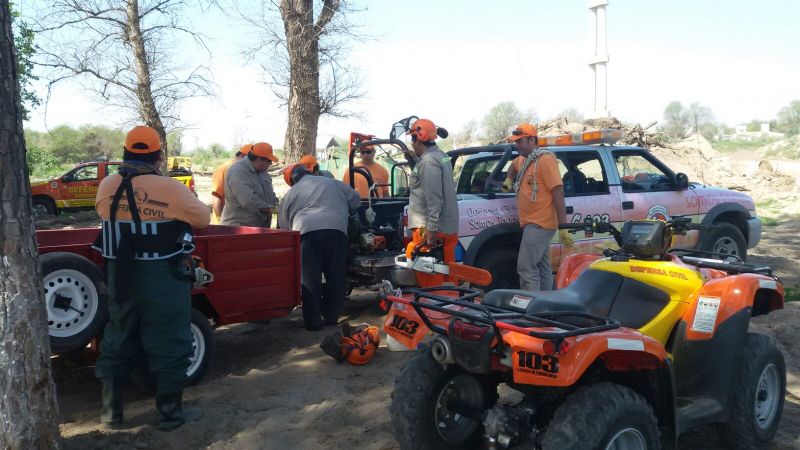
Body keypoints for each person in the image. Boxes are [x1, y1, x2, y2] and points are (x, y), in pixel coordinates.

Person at [93, 126, 211, 431]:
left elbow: (103, 213)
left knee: (118, 335)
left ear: (125, 152)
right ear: (158, 155)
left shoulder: (107, 184)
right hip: (162, 276)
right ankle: (170, 414)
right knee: (170, 338)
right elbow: (203, 218)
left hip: (120, 273)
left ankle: (110, 414)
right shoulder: (170, 188)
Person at [278, 164, 361, 331]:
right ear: (309, 172)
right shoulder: (332, 183)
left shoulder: (290, 194)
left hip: (306, 234)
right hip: (336, 232)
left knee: (309, 279)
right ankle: (332, 317)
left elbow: (284, 225)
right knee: (336, 275)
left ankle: (313, 321)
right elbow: (356, 200)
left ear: (293, 181)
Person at [505, 123, 573, 291]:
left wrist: (563, 226)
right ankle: (547, 304)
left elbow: (558, 192)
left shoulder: (545, 160)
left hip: (540, 223)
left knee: (526, 267)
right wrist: (508, 179)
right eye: (515, 141)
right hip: (530, 222)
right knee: (542, 267)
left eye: (520, 141)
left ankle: (531, 309)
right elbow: (513, 167)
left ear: (532, 140)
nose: (516, 145)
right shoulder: (523, 159)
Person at [405, 118, 459, 287]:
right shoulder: (441, 156)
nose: (412, 144)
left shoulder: (428, 162)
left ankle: (433, 310)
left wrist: (432, 229)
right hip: (447, 227)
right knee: (447, 273)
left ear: (418, 138)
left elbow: (433, 196)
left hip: (428, 229)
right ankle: (449, 308)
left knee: (430, 279)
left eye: (412, 139)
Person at [220, 142, 279, 227]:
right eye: (269, 161)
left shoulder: (262, 171)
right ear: (259, 159)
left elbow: (270, 195)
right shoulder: (238, 172)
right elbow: (249, 201)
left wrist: (277, 204)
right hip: (238, 231)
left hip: (260, 229)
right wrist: (274, 210)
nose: (270, 164)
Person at [210, 144, 251, 223]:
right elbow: (216, 195)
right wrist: (220, 219)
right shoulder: (224, 169)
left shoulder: (245, 170)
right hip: (225, 221)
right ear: (243, 156)